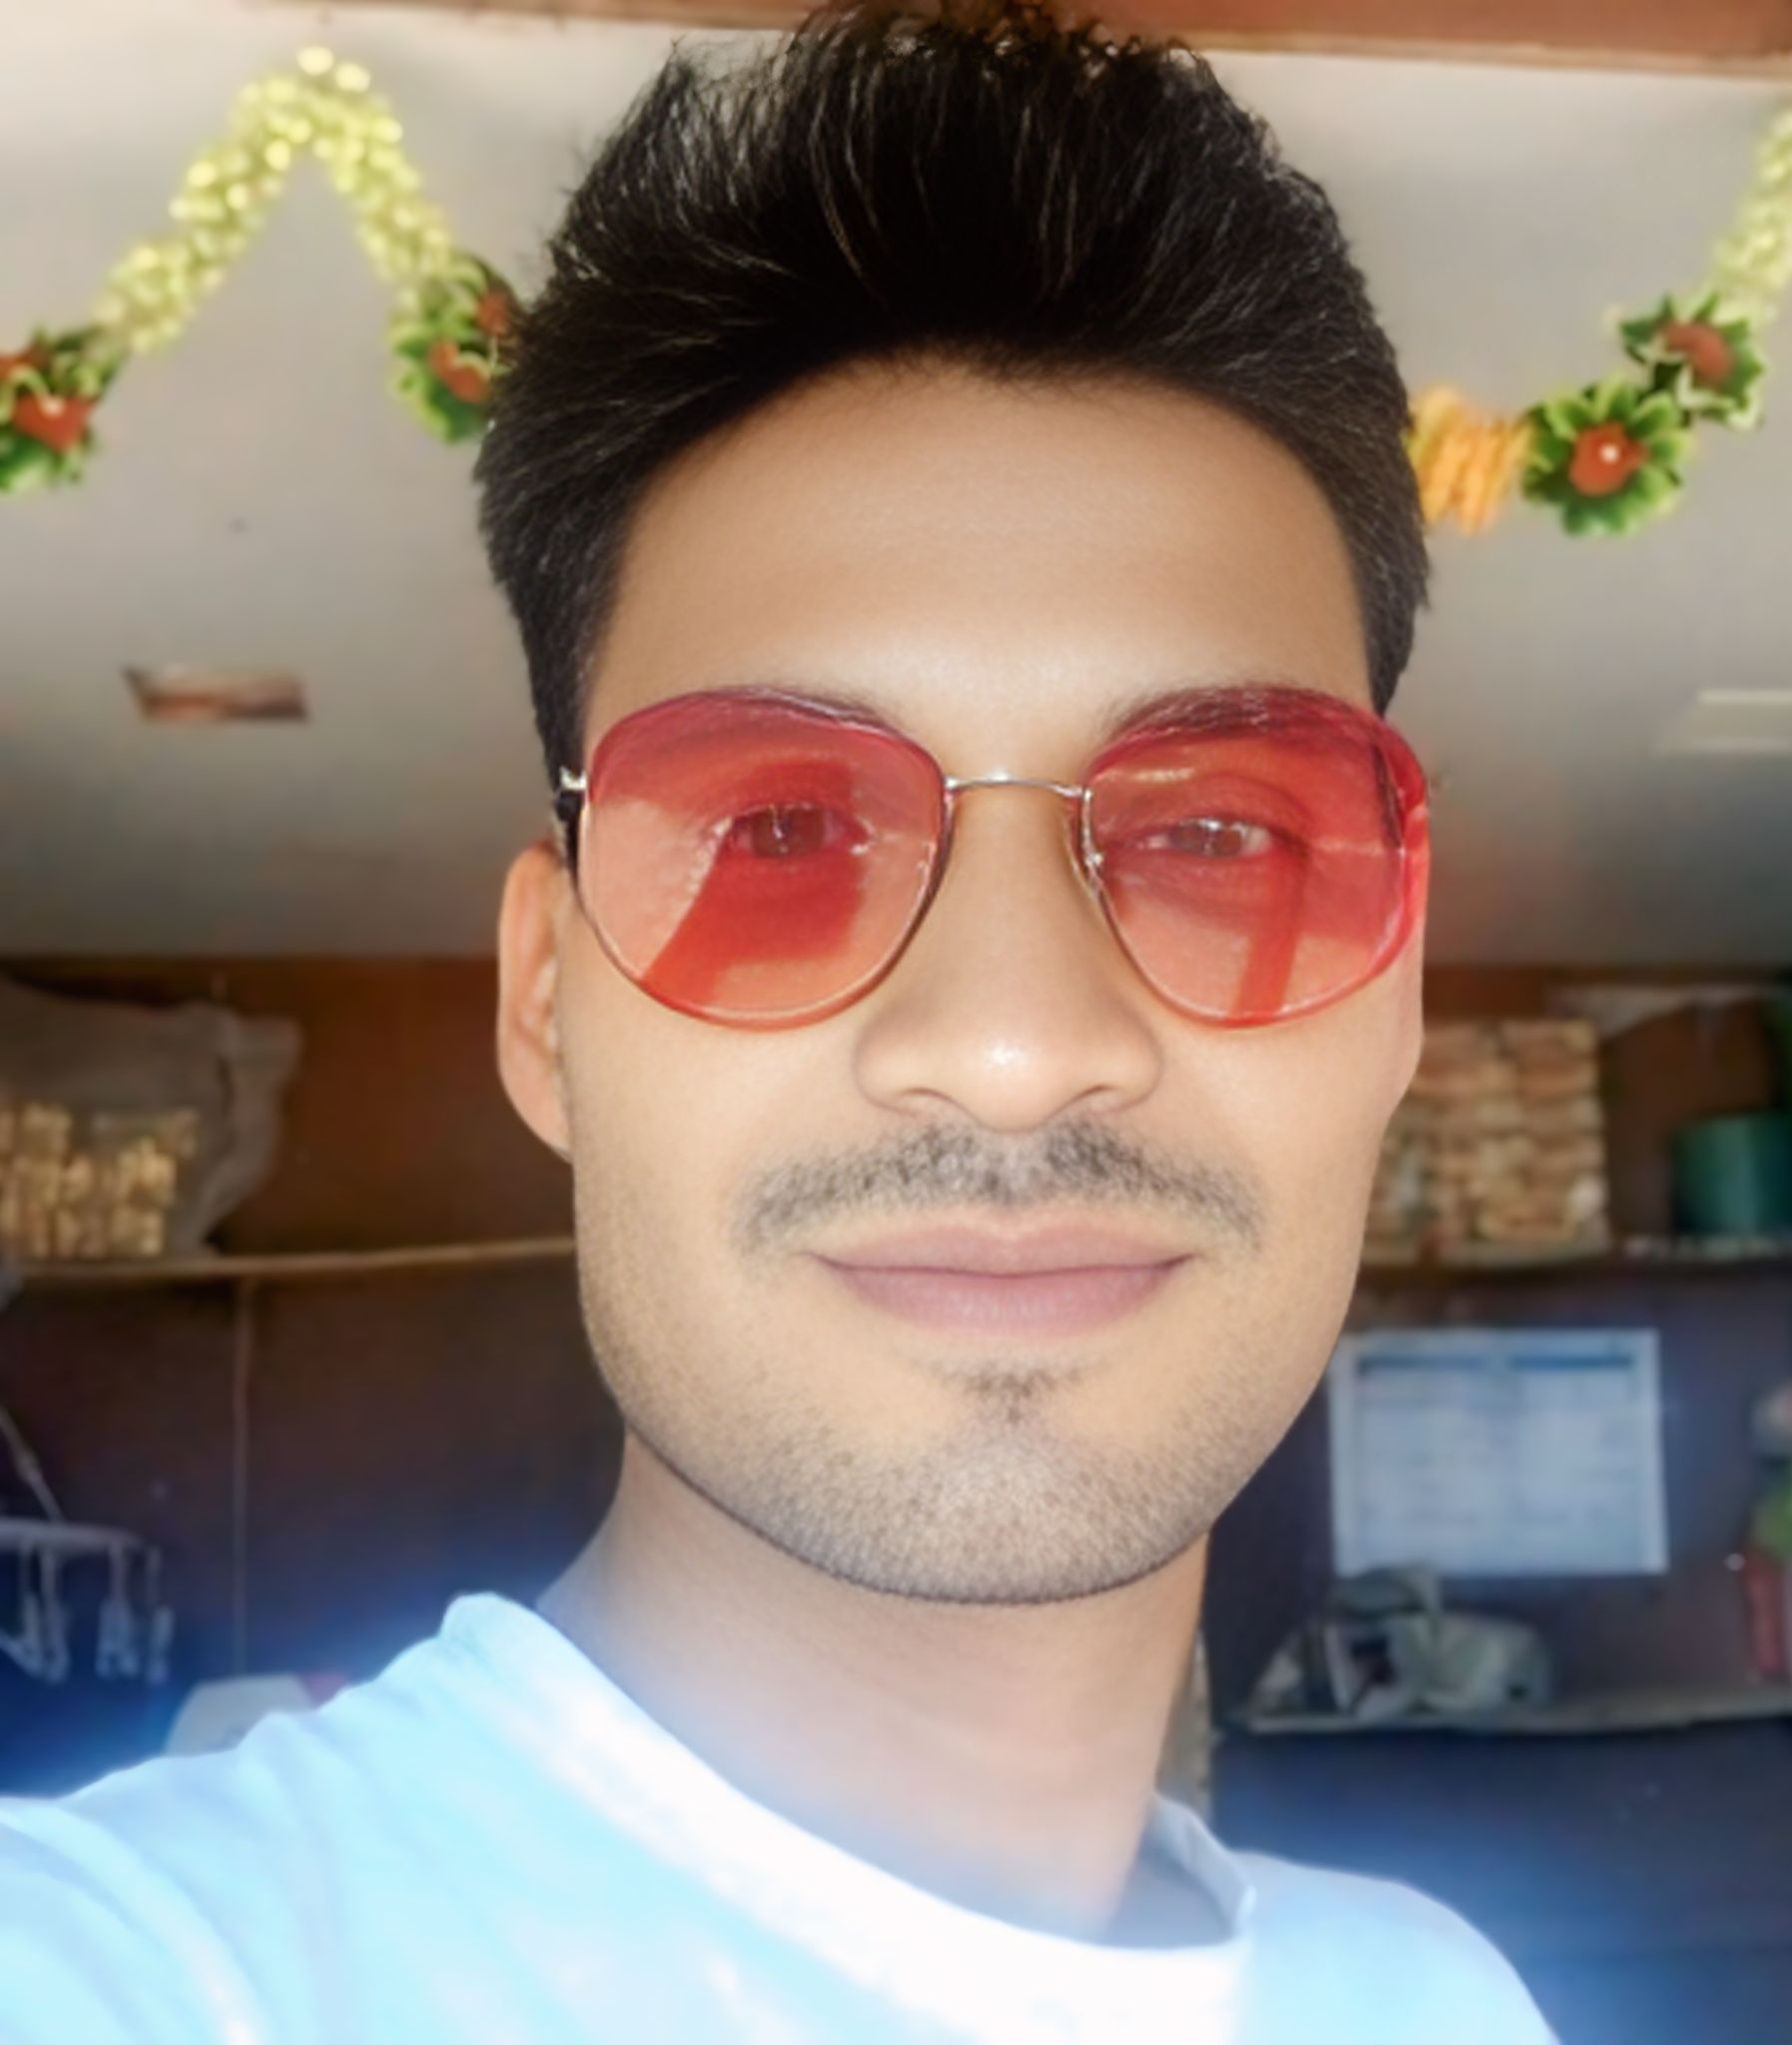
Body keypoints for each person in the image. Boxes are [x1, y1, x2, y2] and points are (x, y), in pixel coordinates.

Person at [0, 4, 1553, 2038]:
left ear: (1395, 997)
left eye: (1215, 835)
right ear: (549, 1005)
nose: (1012, 1042)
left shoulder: (1438, 2001)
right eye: (780, 828)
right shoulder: (142, 1971)